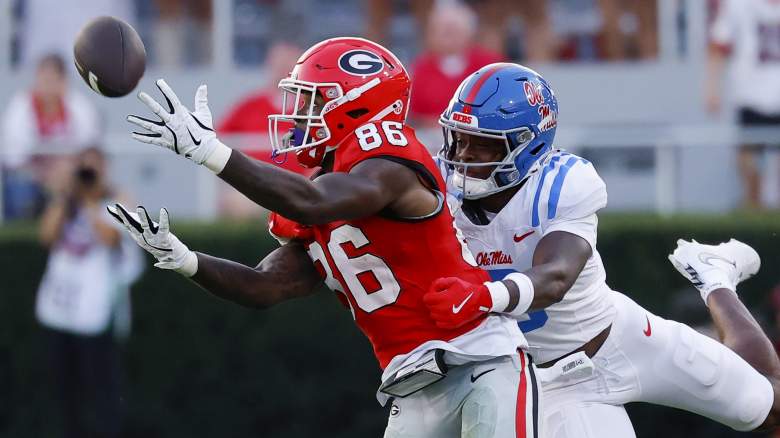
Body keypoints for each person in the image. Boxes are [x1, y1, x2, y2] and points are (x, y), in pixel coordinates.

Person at [113, 37, 540, 437]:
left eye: (312, 99)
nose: (298, 112)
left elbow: (313, 202)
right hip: (413, 386)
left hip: (482, 360)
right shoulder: (320, 188)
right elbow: (265, 285)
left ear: (355, 106)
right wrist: (184, 258)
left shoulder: (387, 162)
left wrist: (210, 152)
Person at [425, 62, 775, 436]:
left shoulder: (565, 181)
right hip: (553, 382)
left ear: (529, 144)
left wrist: (484, 296)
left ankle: (714, 277)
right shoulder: (434, 189)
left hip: (621, 338)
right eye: (459, 139)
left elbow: (555, 277)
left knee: (765, 405)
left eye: (483, 144)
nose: (463, 156)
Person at [35, 147, 142, 438]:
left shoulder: (116, 203)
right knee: (64, 389)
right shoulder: (67, 203)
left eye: (93, 170)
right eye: (83, 169)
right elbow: (46, 236)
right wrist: (64, 195)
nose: (87, 175)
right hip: (60, 311)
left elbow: (110, 238)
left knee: (102, 389)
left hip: (96, 313)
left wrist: (92, 201)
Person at [1, 53, 100, 219]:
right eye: (43, 80)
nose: (47, 87)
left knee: (86, 182)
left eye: (52, 80)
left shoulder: (79, 107)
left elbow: (90, 151)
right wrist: (44, 174)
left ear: (63, 81)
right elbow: (13, 158)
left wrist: (67, 168)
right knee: (20, 189)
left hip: (69, 175)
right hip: (31, 178)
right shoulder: (20, 107)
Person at [705, 0, 780, 209]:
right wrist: (712, 88)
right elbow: (718, 44)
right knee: (749, 168)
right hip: (751, 97)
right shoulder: (739, 4)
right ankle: (754, 215)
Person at [408, 1, 503, 128]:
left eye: (453, 31)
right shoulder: (421, 67)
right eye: (443, 31)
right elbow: (414, 114)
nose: (448, 38)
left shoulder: (490, 65)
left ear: (469, 32)